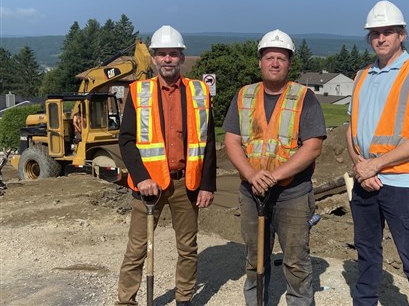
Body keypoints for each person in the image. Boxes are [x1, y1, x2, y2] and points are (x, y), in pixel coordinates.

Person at [346, 0, 409, 306]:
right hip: (366, 181)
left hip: (403, 185)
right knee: (367, 255)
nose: (381, 38)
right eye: (375, 33)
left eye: (388, 31)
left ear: (402, 35)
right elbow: (351, 130)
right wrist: (361, 166)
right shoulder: (362, 75)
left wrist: (374, 166)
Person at [223, 29, 326, 306]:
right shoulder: (244, 96)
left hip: (292, 194)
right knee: (255, 259)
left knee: (296, 261)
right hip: (251, 192)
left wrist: (274, 177)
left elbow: (313, 146)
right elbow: (231, 141)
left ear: (290, 63)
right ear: (260, 61)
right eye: (270, 57)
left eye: (281, 58)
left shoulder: (304, 97)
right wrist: (251, 174)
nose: (275, 63)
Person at [116, 25, 216, 306]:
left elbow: (207, 142)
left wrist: (208, 184)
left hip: (187, 183)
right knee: (137, 249)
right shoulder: (139, 92)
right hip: (149, 185)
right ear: (154, 58)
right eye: (162, 54)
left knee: (187, 248)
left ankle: (184, 299)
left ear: (182, 58)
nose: (168, 59)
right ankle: (126, 301)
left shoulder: (199, 92)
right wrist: (142, 177)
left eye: (173, 54)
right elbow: (126, 140)